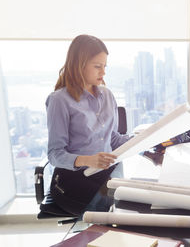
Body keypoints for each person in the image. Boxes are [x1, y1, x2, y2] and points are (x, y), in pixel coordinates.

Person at [45, 34, 130, 214]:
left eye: (105, 66)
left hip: (104, 173)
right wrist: (88, 160)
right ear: (79, 64)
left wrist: (147, 141)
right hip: (72, 180)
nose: (103, 72)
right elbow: (54, 154)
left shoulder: (107, 95)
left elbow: (112, 139)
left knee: (133, 203)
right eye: (97, 66)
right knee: (114, 211)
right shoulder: (59, 100)